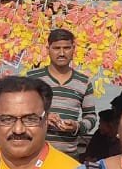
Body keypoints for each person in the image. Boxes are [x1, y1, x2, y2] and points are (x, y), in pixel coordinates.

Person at [27, 27, 98, 159]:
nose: (61, 53)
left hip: (69, 157)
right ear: (48, 50)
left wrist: (76, 126)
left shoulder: (84, 82)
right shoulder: (32, 79)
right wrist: (43, 119)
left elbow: (92, 118)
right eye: (56, 48)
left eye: (66, 48)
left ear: (73, 49)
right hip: (34, 155)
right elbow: (19, 113)